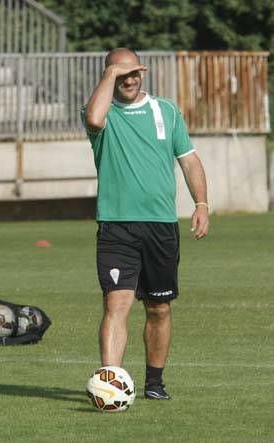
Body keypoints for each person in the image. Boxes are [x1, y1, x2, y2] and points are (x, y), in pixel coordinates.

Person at [80, 48, 209, 400]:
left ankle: (154, 383)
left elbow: (190, 161)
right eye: (122, 75)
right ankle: (110, 386)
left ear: (143, 73)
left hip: (161, 226)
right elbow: (93, 119)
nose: (130, 79)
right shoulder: (101, 112)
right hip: (116, 226)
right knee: (116, 305)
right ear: (110, 76)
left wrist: (201, 203)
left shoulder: (165, 110)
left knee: (159, 307)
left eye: (135, 72)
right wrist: (110, 74)